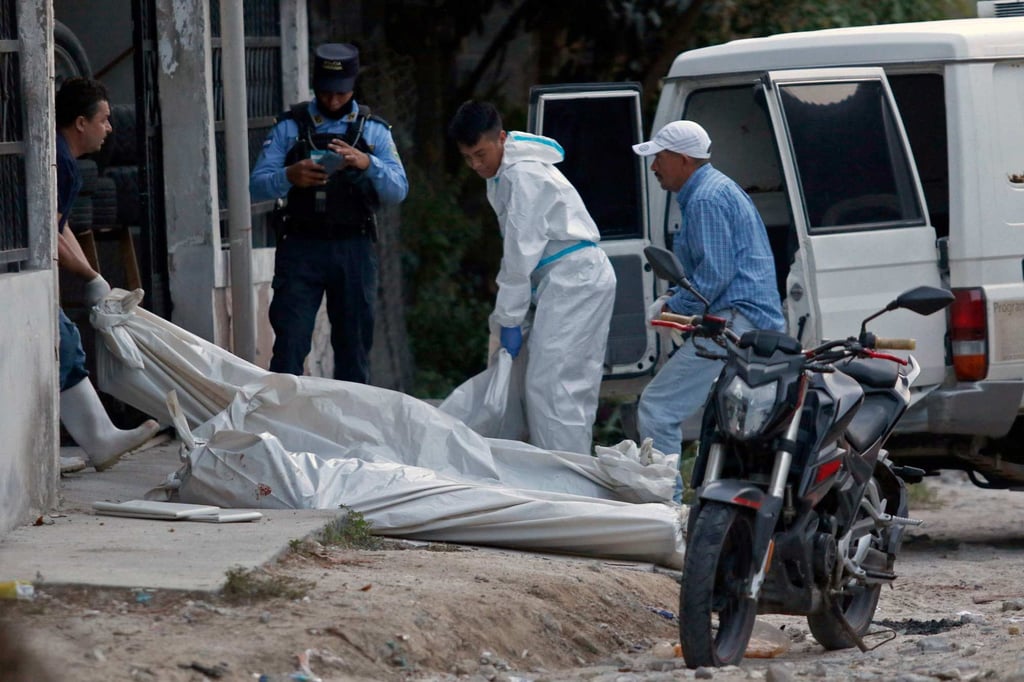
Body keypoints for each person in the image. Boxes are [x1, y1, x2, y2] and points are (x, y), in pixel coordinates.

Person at [448, 101, 617, 455]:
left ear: (502, 139)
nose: (476, 165)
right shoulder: (506, 173)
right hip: (562, 279)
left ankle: (568, 482)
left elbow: (519, 255)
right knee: (542, 383)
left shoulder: (521, 175)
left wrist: (508, 318)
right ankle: (553, 472)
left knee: (554, 386)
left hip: (575, 279)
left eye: (480, 154)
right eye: (468, 158)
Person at [250, 43, 408, 383]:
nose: (334, 101)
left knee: (353, 352)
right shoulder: (290, 127)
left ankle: (350, 433)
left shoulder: (373, 130)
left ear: (352, 87)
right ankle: (279, 425)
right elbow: (257, 186)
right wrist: (289, 176)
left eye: (341, 93)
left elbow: (398, 189)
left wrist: (367, 163)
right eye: (326, 93)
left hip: (354, 248)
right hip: (301, 247)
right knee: (290, 347)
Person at [633, 120, 786, 459]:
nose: (654, 166)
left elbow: (715, 274)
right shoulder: (713, 189)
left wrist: (672, 306)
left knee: (657, 408)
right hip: (745, 320)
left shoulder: (705, 198)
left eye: (660, 157)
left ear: (684, 160)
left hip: (736, 321)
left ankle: (664, 503)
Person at [55, 77, 160, 472]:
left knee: (65, 344)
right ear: (81, 123)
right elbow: (51, 233)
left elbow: (63, 227)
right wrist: (89, 276)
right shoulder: (61, 164)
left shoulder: (65, 162)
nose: (110, 128)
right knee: (63, 343)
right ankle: (98, 440)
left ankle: (86, 441)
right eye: (104, 119)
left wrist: (93, 276)